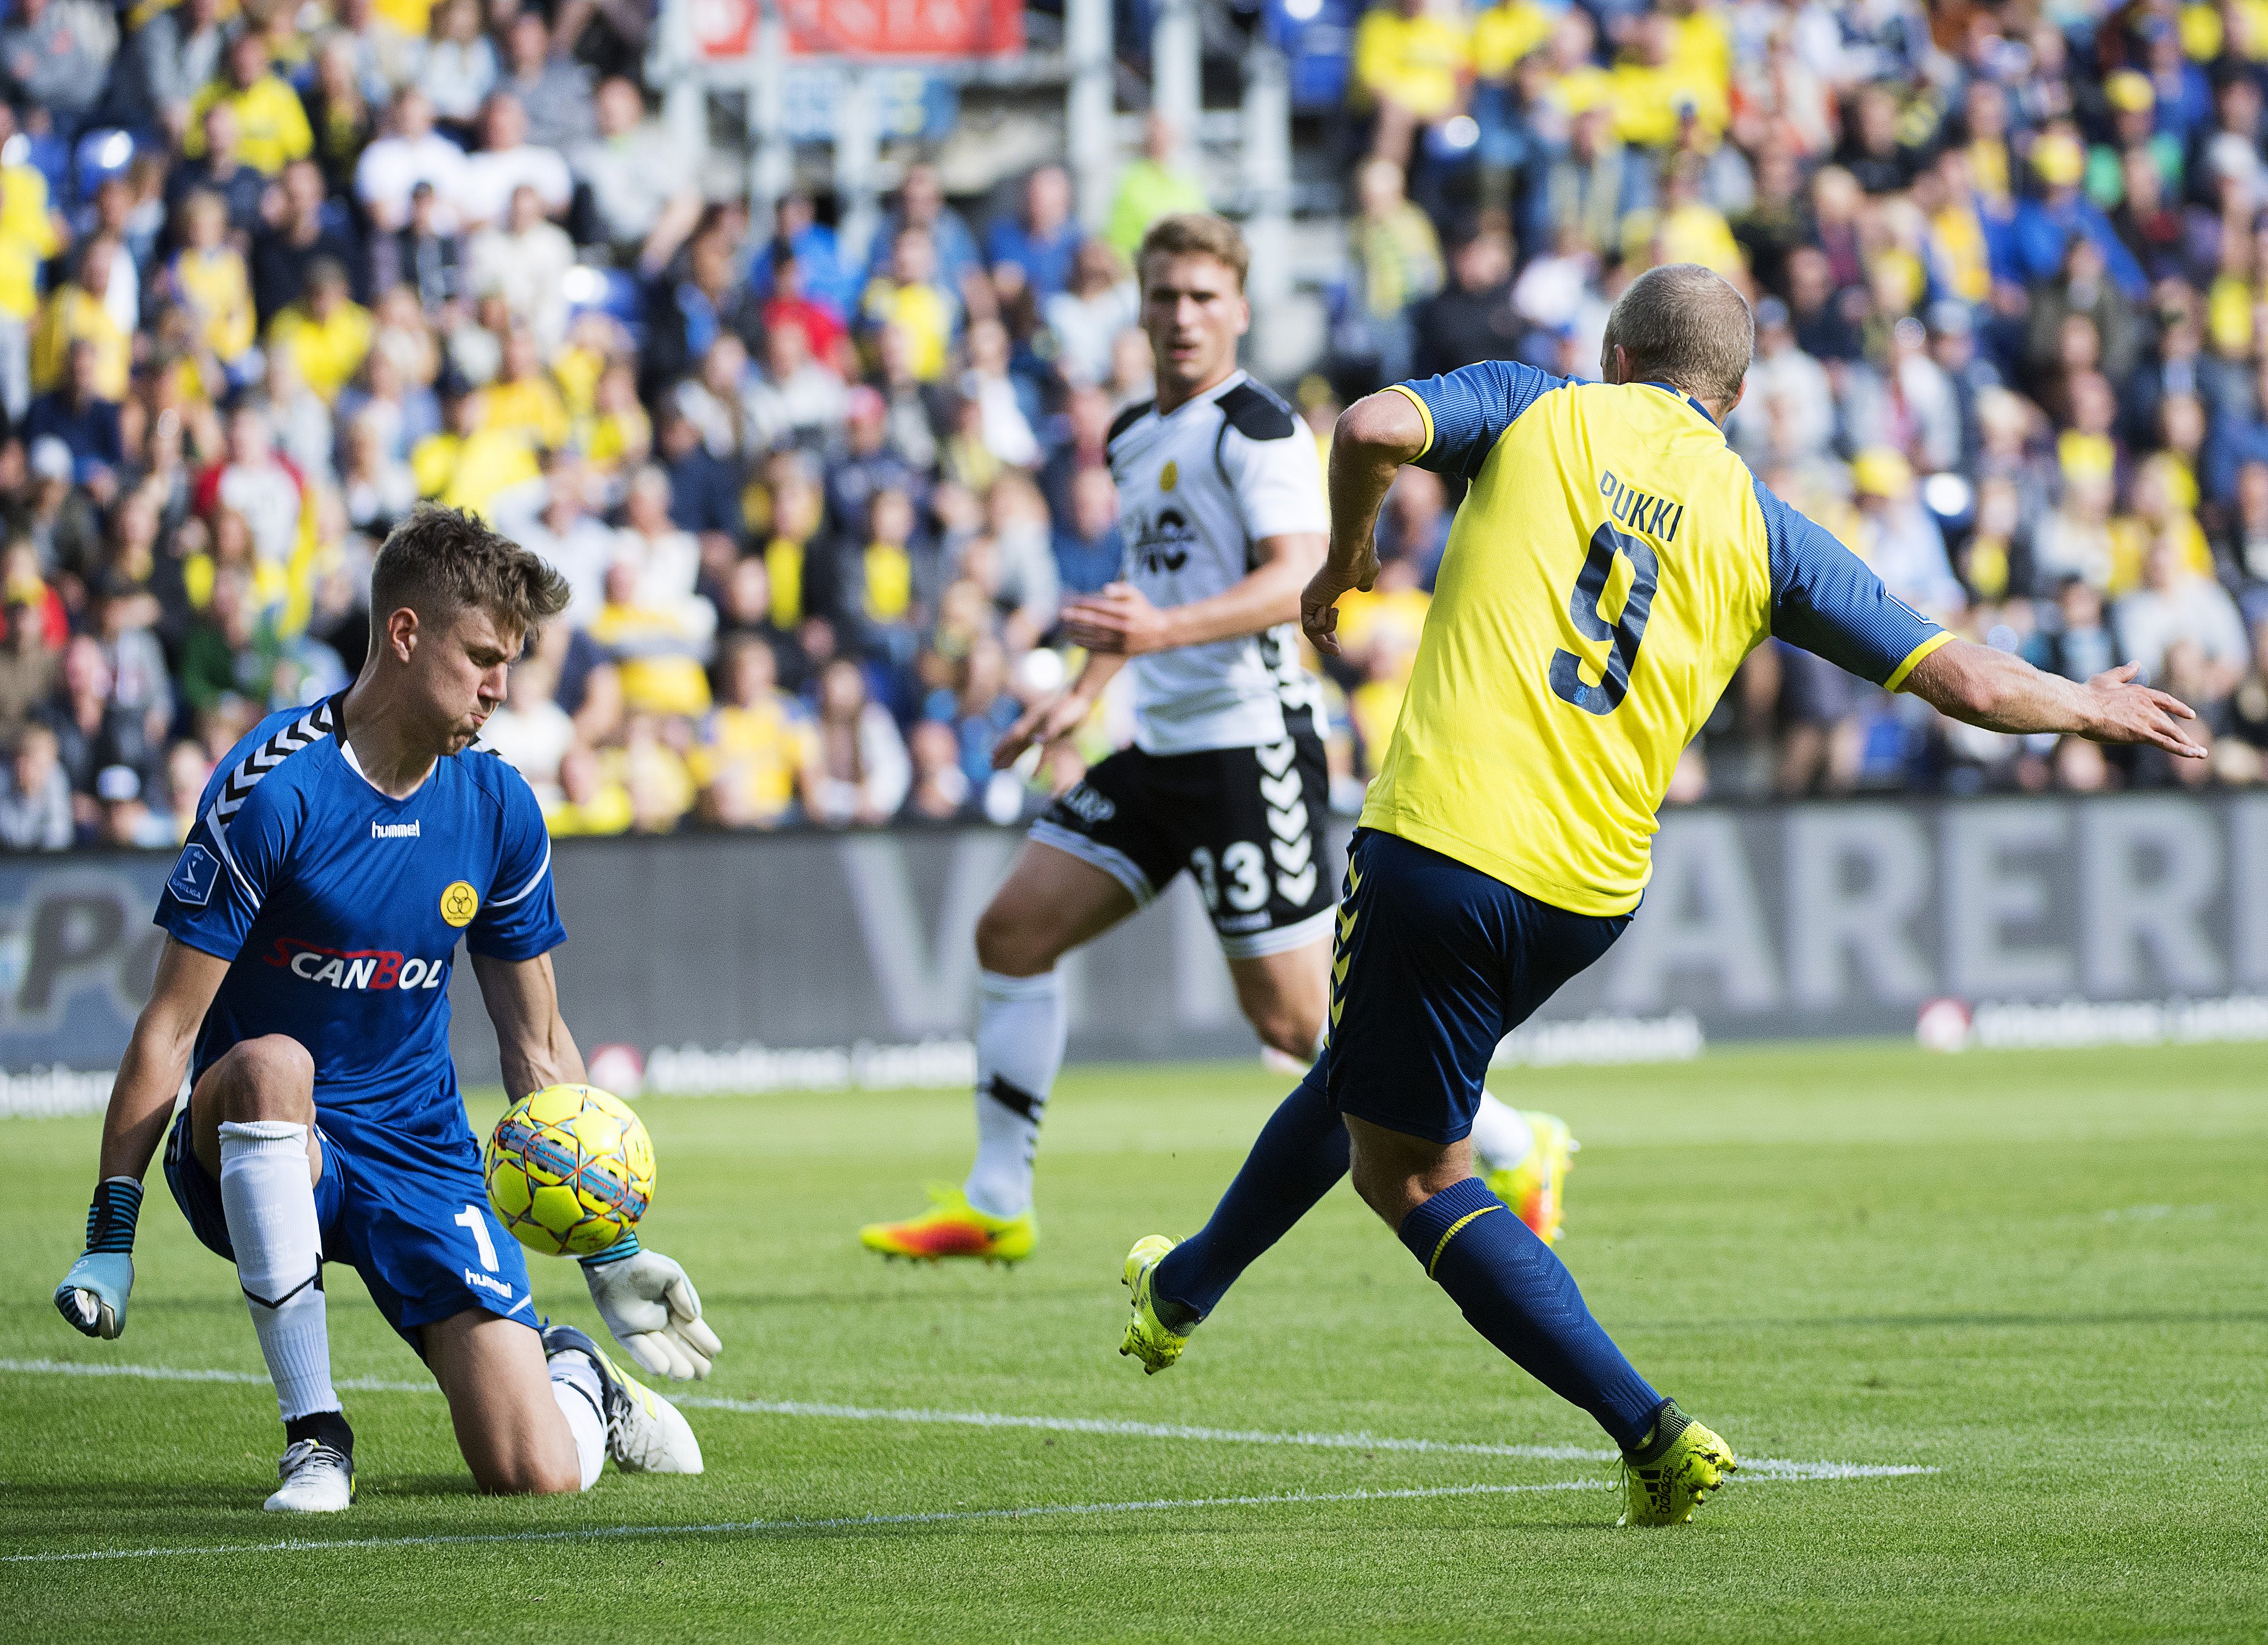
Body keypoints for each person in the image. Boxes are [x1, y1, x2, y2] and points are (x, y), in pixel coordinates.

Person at [1109, 264, 2205, 1526]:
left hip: (1446, 839)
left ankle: (1650, 1430)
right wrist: (2085, 699)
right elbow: (1954, 671)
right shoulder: (1762, 524)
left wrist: (1350, 549)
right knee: (1372, 1073)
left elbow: (1365, 428)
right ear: (1731, 397)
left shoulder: (1536, 405)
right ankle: (1183, 1288)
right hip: (1584, 893)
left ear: (1614, 352)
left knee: (1410, 1172)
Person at [52, 506, 721, 1513]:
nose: (503, 688)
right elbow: (172, 1027)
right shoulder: (275, 792)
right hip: (258, 1129)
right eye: (486, 657)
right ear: (405, 636)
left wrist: (610, 1246)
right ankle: (315, 1438)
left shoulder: (498, 807)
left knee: (533, 1473)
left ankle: (579, 1378)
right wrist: (113, 1228)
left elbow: (536, 1046)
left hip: (418, 1149)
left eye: (514, 662)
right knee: (278, 1061)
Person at [856, 214, 1337, 1264]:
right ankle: (998, 1201)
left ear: (1240, 310)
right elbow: (1147, 595)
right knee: (1012, 932)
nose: (1181, 316)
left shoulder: (1255, 428)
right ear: (1140, 305)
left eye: (1204, 297)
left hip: (1251, 747)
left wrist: (1155, 634)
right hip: (1160, 748)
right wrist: (1086, 692)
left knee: (1300, 1029)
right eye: (1164, 295)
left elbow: (1296, 582)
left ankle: (1518, 1143)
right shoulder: (1132, 436)